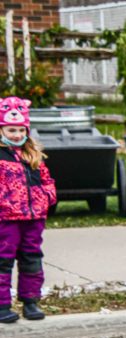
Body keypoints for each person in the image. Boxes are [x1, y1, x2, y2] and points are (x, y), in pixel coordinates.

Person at [0, 97, 56, 323]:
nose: (15, 134)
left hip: (33, 217)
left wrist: (47, 197)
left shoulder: (32, 156)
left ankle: (31, 301)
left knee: (32, 258)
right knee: (3, 260)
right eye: (11, 129)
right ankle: (2, 304)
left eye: (20, 130)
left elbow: (46, 180)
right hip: (7, 218)